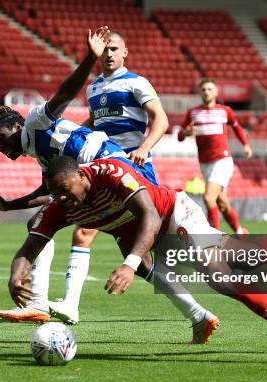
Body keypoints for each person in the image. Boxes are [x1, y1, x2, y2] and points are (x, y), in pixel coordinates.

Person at [0, 27, 219, 344]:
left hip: (120, 168)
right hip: (102, 172)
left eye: (0, 138)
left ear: (16, 125)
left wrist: (88, 59)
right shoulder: (41, 151)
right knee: (142, 255)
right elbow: (51, 193)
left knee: (148, 245)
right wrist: (8, 205)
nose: (0, 146)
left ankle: (46, 303)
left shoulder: (37, 119)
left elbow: (65, 93)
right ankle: (199, 314)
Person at [6, 155, 267, 363]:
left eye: (65, 191)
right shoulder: (59, 207)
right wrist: (16, 275)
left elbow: (148, 213)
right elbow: (29, 248)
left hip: (170, 215)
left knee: (229, 270)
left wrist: (130, 264)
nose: (62, 200)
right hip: (136, 236)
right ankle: (209, 320)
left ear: (81, 176)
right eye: (55, 194)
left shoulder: (110, 173)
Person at [46, 30, 170, 324]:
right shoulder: (93, 89)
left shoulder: (136, 82)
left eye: (115, 49)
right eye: (105, 50)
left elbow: (161, 119)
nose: (109, 54)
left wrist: (144, 147)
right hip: (104, 168)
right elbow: (95, 122)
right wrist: (72, 136)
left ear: (125, 52)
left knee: (142, 244)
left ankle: (71, 305)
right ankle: (192, 307)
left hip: (132, 167)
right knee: (109, 243)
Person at [178, 78, 251, 235]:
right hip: (205, 163)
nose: (207, 92)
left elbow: (237, 127)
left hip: (223, 160)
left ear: (216, 92)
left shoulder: (225, 111)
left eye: (210, 89)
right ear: (200, 92)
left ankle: (214, 238)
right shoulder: (193, 113)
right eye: (204, 89)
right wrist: (185, 133)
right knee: (222, 203)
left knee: (208, 197)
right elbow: (179, 136)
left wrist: (246, 145)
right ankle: (240, 231)